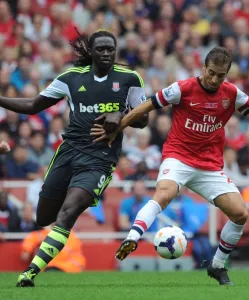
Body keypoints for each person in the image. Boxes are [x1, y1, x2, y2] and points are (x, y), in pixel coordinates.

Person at [91, 47, 249, 285]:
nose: (214, 79)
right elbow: (147, 105)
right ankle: (132, 237)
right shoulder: (183, 88)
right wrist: (119, 127)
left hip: (209, 166)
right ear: (204, 67)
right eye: (211, 72)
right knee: (164, 193)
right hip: (178, 157)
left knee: (240, 213)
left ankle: (217, 266)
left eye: (220, 75)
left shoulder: (231, 93)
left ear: (226, 74)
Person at [0, 29, 148, 287]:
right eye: (100, 49)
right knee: (43, 218)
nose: (106, 53)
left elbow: (143, 119)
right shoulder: (70, 78)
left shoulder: (129, 79)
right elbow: (34, 105)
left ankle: (30, 273)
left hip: (100, 159)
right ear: (91, 52)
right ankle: (53, 238)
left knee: (67, 213)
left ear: (115, 51)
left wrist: (120, 119)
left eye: (110, 49)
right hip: (68, 153)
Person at [20, 224, 86, 273]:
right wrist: (27, 250)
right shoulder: (44, 234)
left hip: (65, 267)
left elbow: (78, 257)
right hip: (48, 267)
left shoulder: (72, 237)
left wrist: (78, 265)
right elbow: (32, 238)